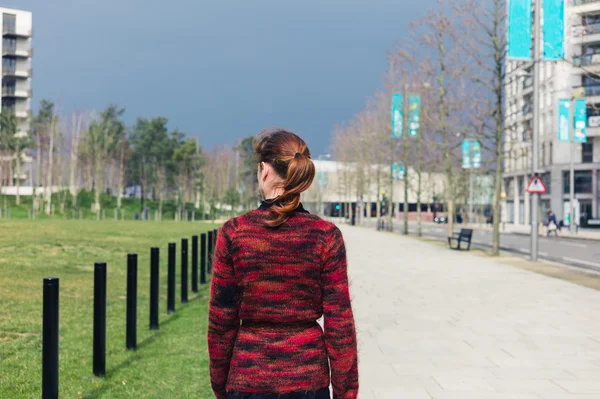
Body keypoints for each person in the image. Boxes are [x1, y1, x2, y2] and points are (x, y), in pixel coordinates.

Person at [208, 128, 359, 399]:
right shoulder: (325, 236)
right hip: (308, 380)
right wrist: (345, 393)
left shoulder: (234, 232)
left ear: (264, 169)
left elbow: (222, 321)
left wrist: (220, 384)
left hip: (247, 379)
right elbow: (339, 323)